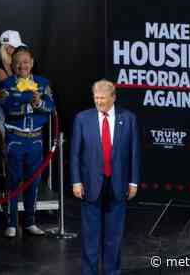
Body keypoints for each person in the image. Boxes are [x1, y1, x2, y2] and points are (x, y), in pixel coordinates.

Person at [70, 80, 140, 275]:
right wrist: (76, 181)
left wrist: (133, 181)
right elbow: (75, 153)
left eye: (102, 98)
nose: (99, 102)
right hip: (91, 185)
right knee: (91, 236)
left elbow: (134, 152)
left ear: (113, 97)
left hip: (118, 185)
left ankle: (112, 272)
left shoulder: (128, 118)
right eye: (96, 98)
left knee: (114, 236)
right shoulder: (82, 118)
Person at [0, 46, 54, 237]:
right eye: (18, 63)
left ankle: (30, 221)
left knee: (33, 181)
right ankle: (11, 223)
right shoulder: (7, 85)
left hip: (36, 139)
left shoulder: (42, 83)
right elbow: (8, 109)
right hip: (15, 138)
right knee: (13, 181)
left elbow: (50, 108)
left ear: (31, 63)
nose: (22, 66)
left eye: (25, 62)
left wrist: (39, 103)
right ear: (12, 65)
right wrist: (27, 100)